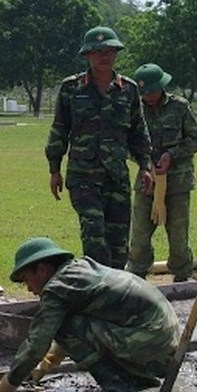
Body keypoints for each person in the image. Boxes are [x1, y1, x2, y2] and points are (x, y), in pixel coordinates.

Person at [0, 237, 179, 392]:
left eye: (28, 280)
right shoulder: (79, 271)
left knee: (63, 325)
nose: (28, 289)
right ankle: (139, 379)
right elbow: (79, 329)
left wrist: (4, 389)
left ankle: (119, 390)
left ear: (43, 269)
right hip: (163, 344)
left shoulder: (58, 287)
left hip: (152, 344)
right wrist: (42, 368)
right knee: (70, 324)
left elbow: (37, 344)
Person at [45, 26, 152, 269]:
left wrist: (146, 166)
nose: (105, 56)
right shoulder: (71, 88)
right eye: (99, 51)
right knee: (94, 238)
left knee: (118, 245)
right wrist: (54, 169)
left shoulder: (129, 90)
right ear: (87, 55)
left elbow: (138, 131)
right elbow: (59, 129)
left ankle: (113, 297)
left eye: (110, 51)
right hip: (83, 176)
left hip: (116, 177)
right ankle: (96, 293)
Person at [125, 63, 197, 283]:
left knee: (179, 237)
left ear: (161, 87)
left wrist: (172, 155)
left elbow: (196, 140)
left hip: (178, 183)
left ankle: (181, 276)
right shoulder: (134, 109)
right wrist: (146, 163)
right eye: (143, 93)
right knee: (139, 236)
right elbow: (126, 144)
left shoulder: (179, 107)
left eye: (151, 91)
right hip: (147, 183)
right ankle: (137, 277)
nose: (147, 96)